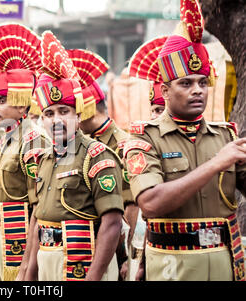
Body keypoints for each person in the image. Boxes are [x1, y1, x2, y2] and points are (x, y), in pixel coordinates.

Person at [125, 0, 246, 281]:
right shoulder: (144, 138)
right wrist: (216, 163)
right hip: (171, 266)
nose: (197, 91)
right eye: (186, 83)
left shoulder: (225, 136)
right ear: (165, 91)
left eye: (203, 83)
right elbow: (151, 203)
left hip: (223, 264)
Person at [24, 31, 124, 281]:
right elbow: (38, 223)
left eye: (64, 111)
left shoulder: (97, 157)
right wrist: (28, 276)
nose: (56, 120)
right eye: (49, 114)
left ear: (78, 116)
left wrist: (92, 278)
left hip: (84, 265)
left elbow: (112, 224)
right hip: (48, 262)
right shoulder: (44, 160)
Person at [0, 23, 49, 281]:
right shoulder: (5, 137)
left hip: (15, 241)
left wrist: (27, 268)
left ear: (20, 104)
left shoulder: (33, 140)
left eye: (1, 101)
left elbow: (38, 211)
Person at [70, 49, 131, 279]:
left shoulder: (122, 144)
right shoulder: (81, 144)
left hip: (113, 247)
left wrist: (127, 257)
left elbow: (131, 208)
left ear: (87, 109)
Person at [126, 35, 169, 280]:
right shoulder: (142, 143)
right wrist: (141, 261)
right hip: (153, 245)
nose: (158, 116)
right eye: (155, 110)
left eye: (163, 109)